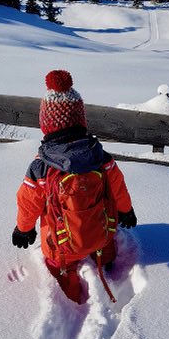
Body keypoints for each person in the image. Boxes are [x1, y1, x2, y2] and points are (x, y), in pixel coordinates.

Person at [12, 69, 137, 303]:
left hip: (61, 243)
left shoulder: (41, 167)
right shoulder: (100, 156)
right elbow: (118, 187)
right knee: (105, 243)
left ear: (46, 124)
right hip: (102, 230)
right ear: (81, 120)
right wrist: (126, 211)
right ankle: (108, 262)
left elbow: (28, 203)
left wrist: (23, 229)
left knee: (59, 261)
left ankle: (71, 298)